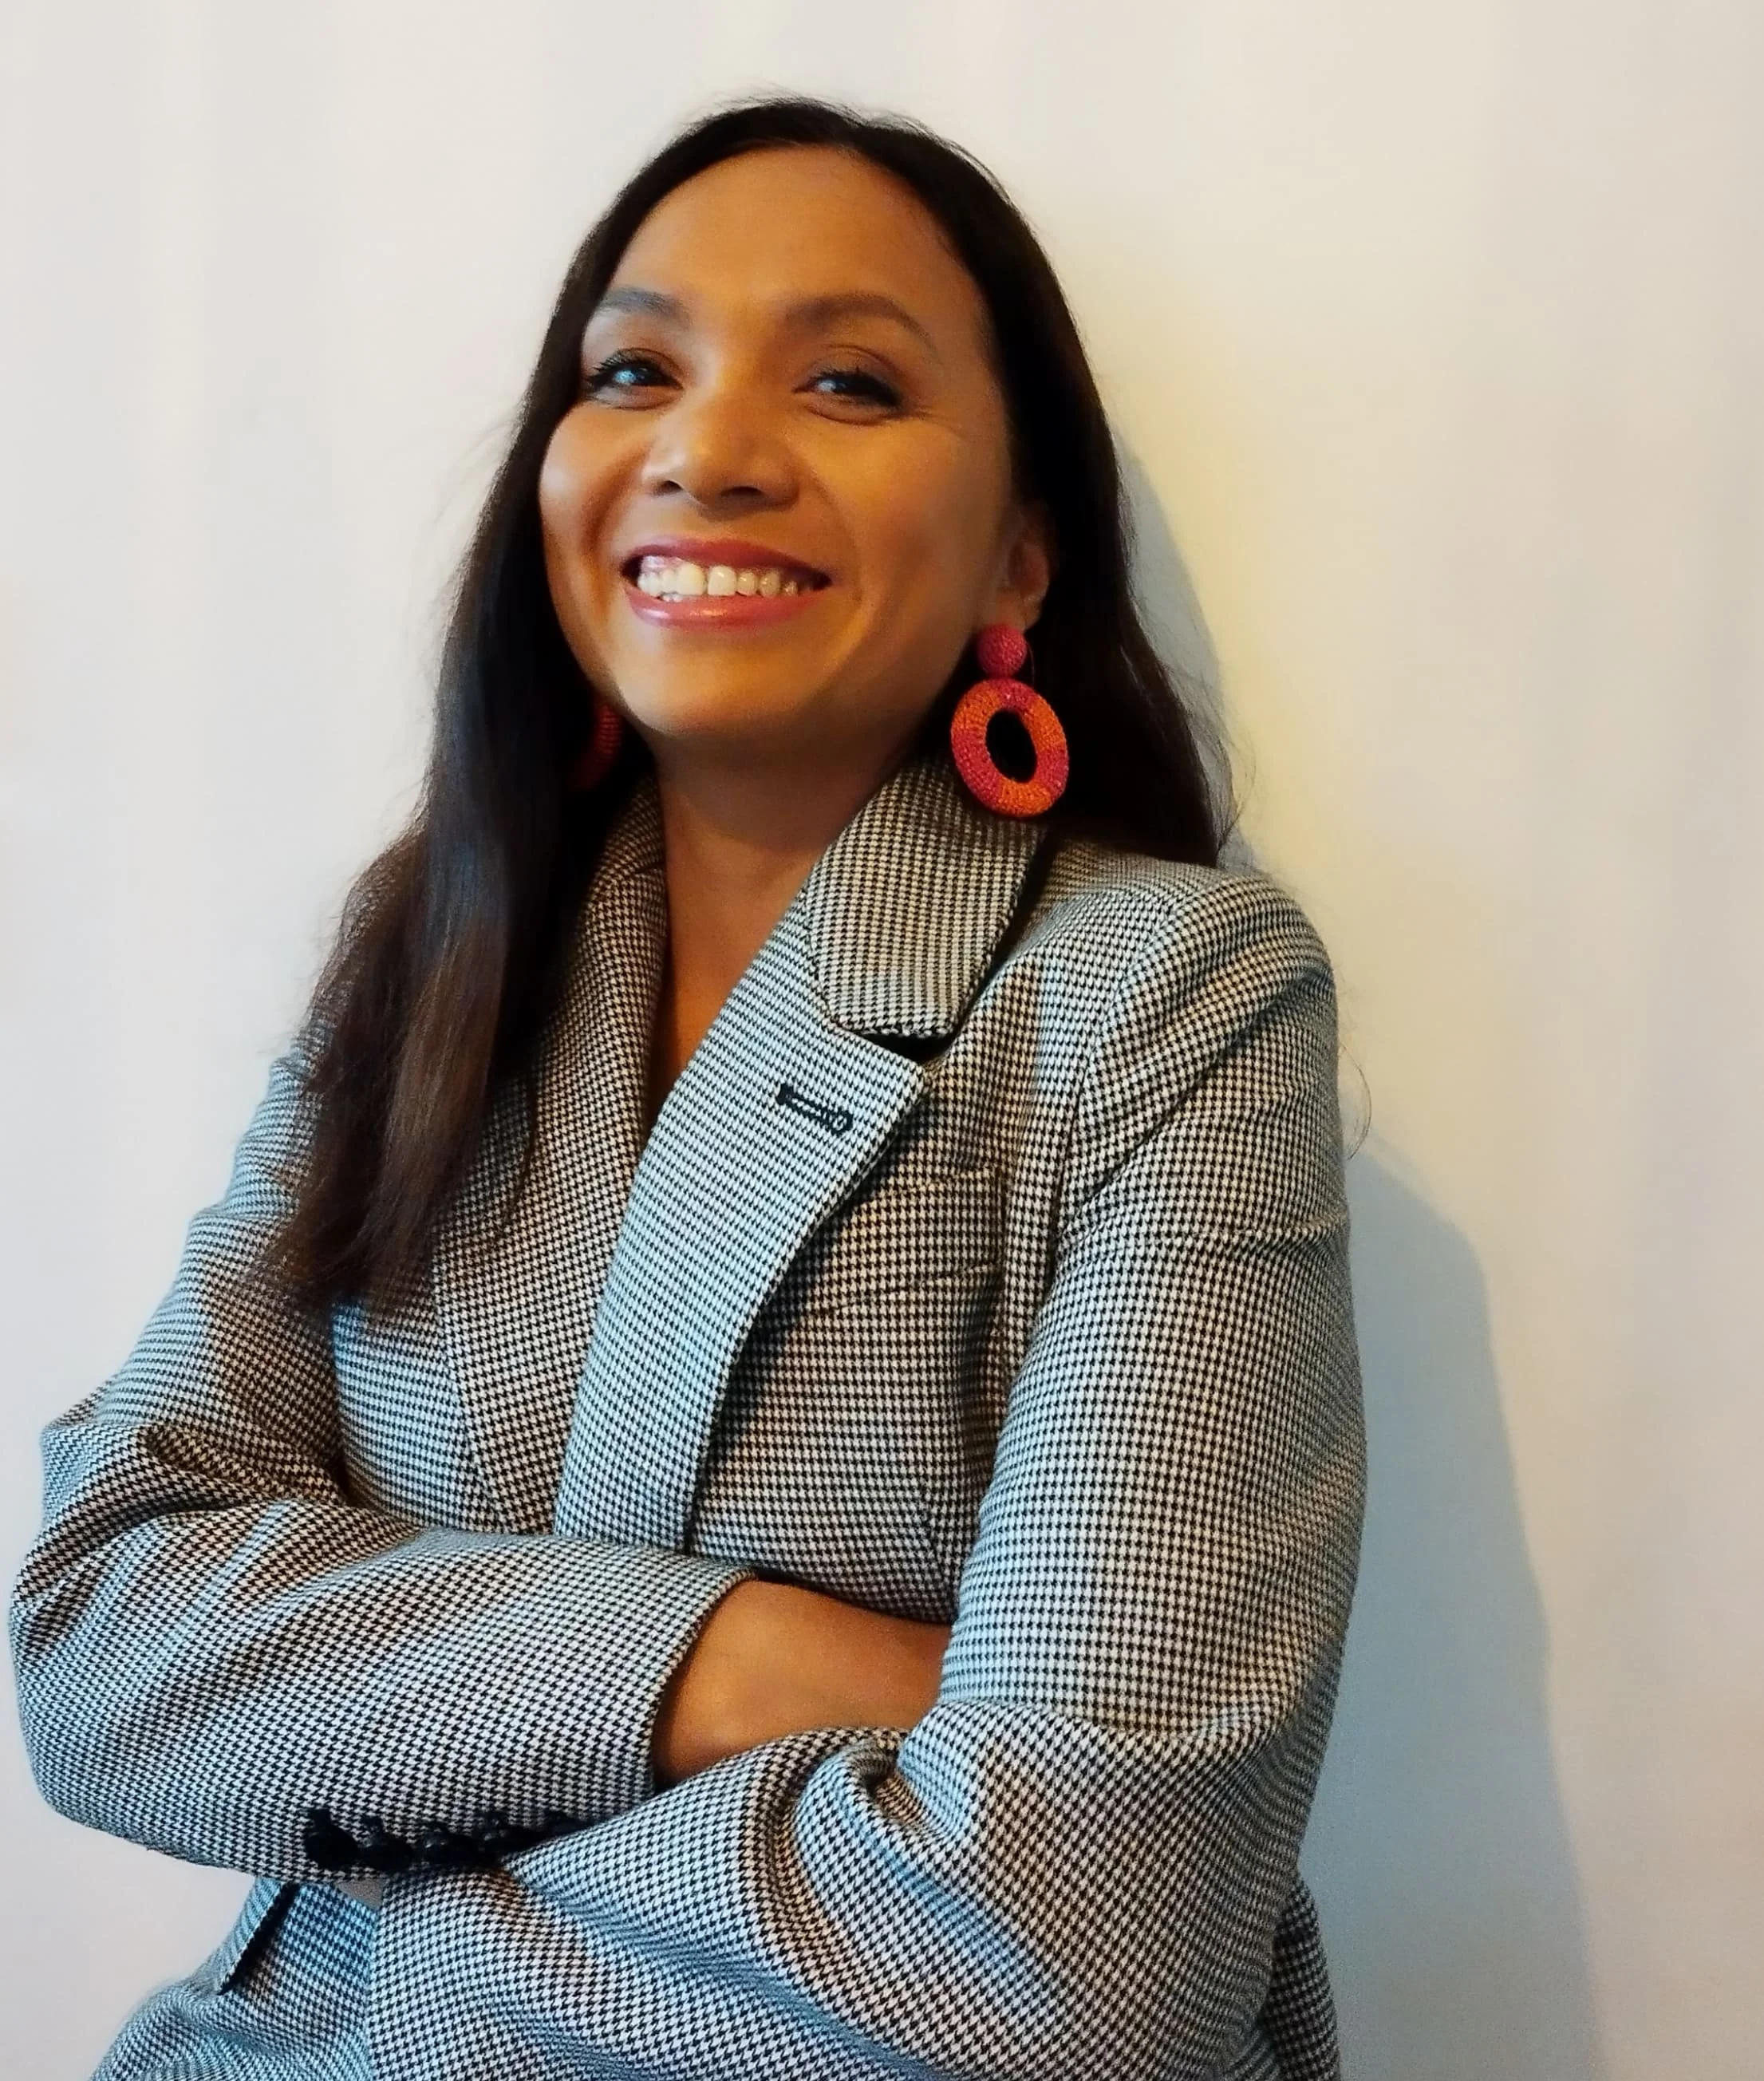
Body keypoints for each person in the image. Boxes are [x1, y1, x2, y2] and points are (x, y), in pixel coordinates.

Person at [10, 96, 1366, 2081]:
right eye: (634, 368)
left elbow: (1078, 1949)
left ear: (1021, 548)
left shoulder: (1172, 1000)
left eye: (845, 380)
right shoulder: (430, 962)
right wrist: (748, 1665)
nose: (709, 452)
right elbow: (101, 1634)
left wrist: (374, 1865)